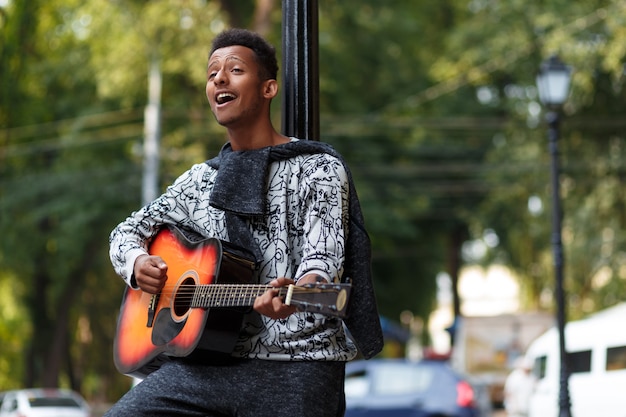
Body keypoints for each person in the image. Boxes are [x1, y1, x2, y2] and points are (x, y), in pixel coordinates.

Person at [105, 28, 382, 417]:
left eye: (234, 70)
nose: (219, 78)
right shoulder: (199, 181)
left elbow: (322, 263)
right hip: (206, 365)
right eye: (212, 72)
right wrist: (136, 263)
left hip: (297, 364)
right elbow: (125, 233)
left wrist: (301, 292)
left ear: (269, 89)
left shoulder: (318, 169)